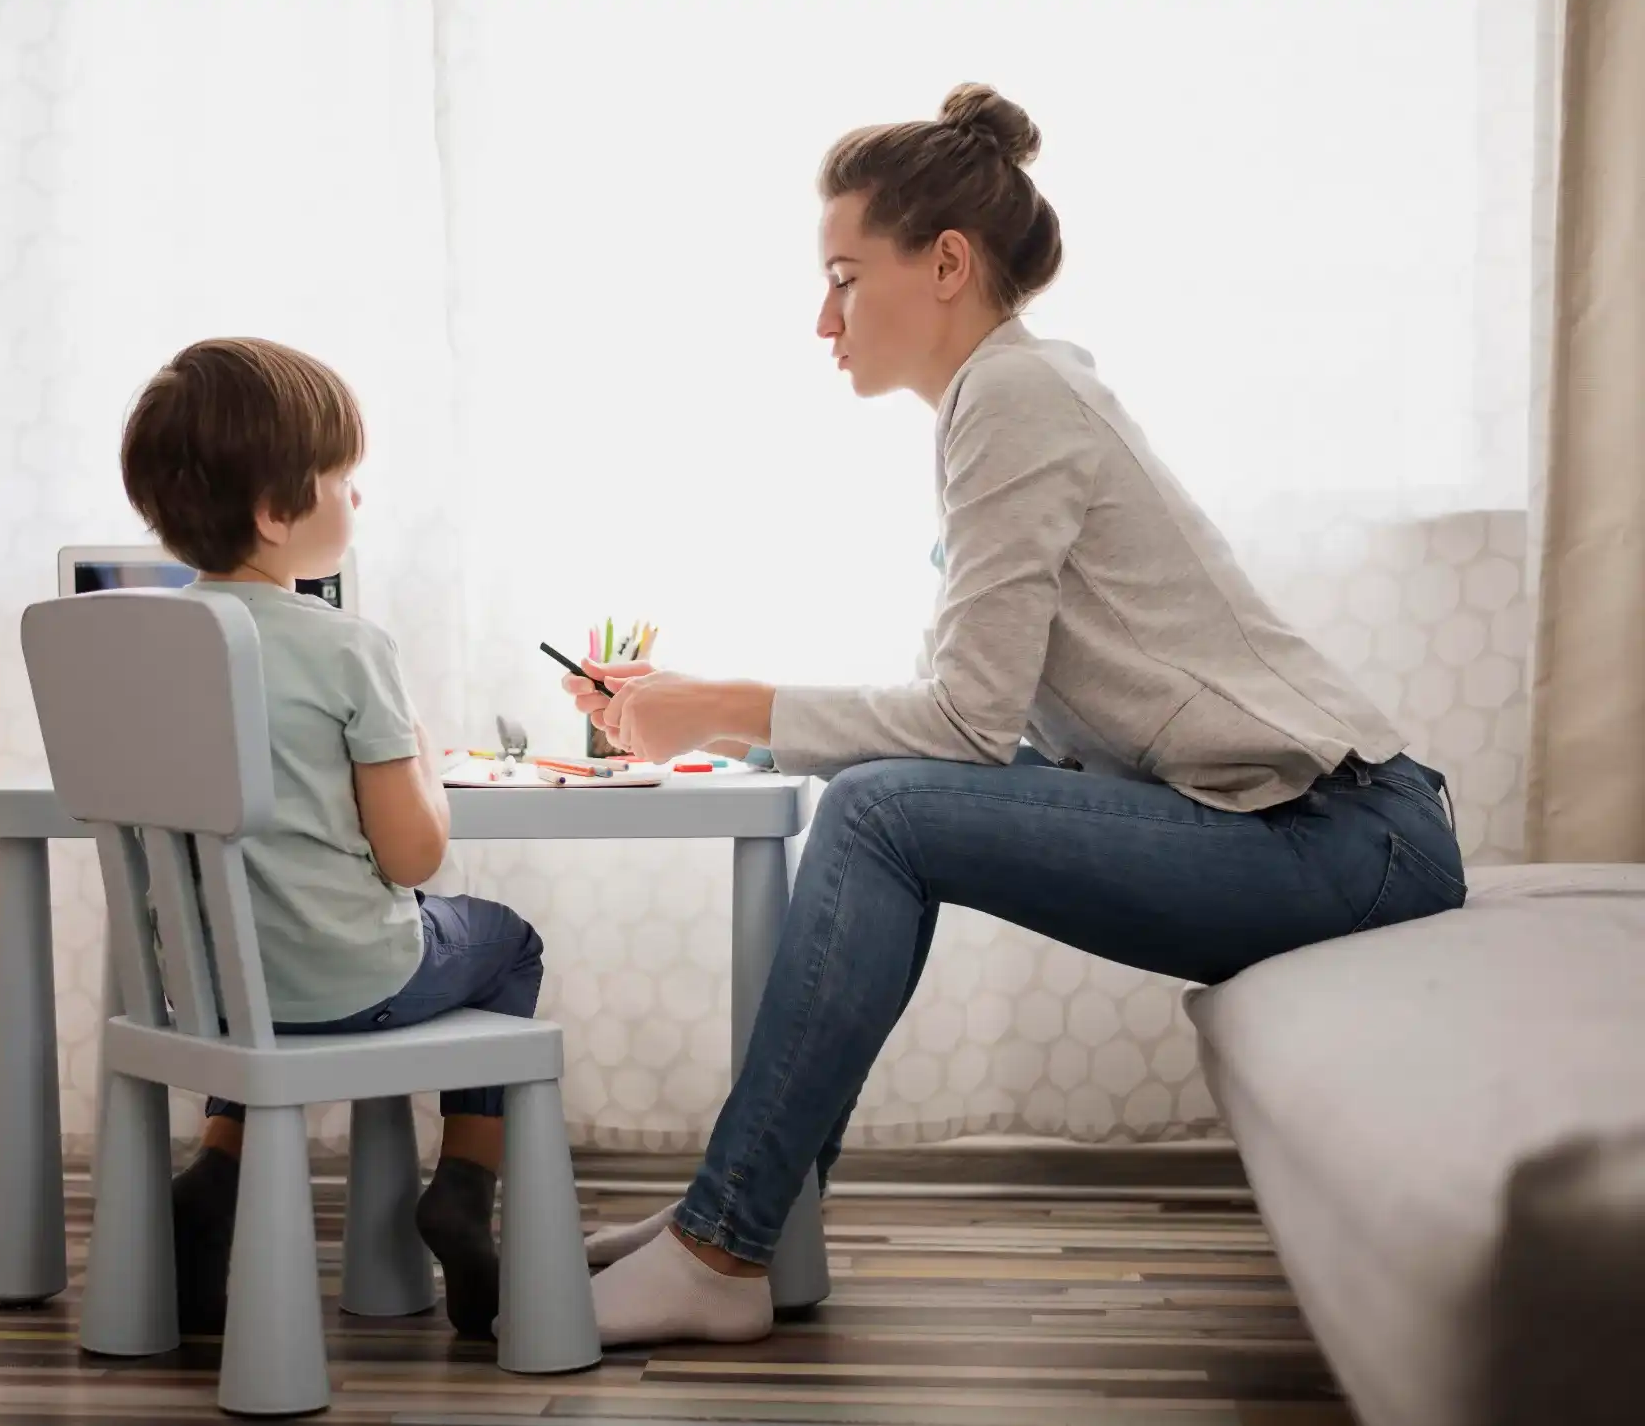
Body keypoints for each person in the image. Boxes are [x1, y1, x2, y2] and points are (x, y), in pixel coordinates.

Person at [564, 85, 1467, 1347]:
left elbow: (967, 722)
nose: (820, 318)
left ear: (945, 264)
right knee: (881, 806)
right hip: (1313, 827)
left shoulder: (1016, 398)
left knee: (881, 812)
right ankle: (740, 1226)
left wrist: (720, 701)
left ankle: (723, 1242)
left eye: (841, 276)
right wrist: (723, 725)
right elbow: (990, 729)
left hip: (1343, 836)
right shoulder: (1005, 399)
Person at [120, 337, 544, 1340]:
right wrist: (423, 768)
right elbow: (413, 859)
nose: (359, 500)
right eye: (346, 480)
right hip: (353, 983)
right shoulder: (348, 647)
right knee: (505, 938)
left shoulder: (144, 652)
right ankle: (465, 1188)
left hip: (210, 993)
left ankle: (217, 1174)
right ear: (277, 511)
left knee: (268, 956)